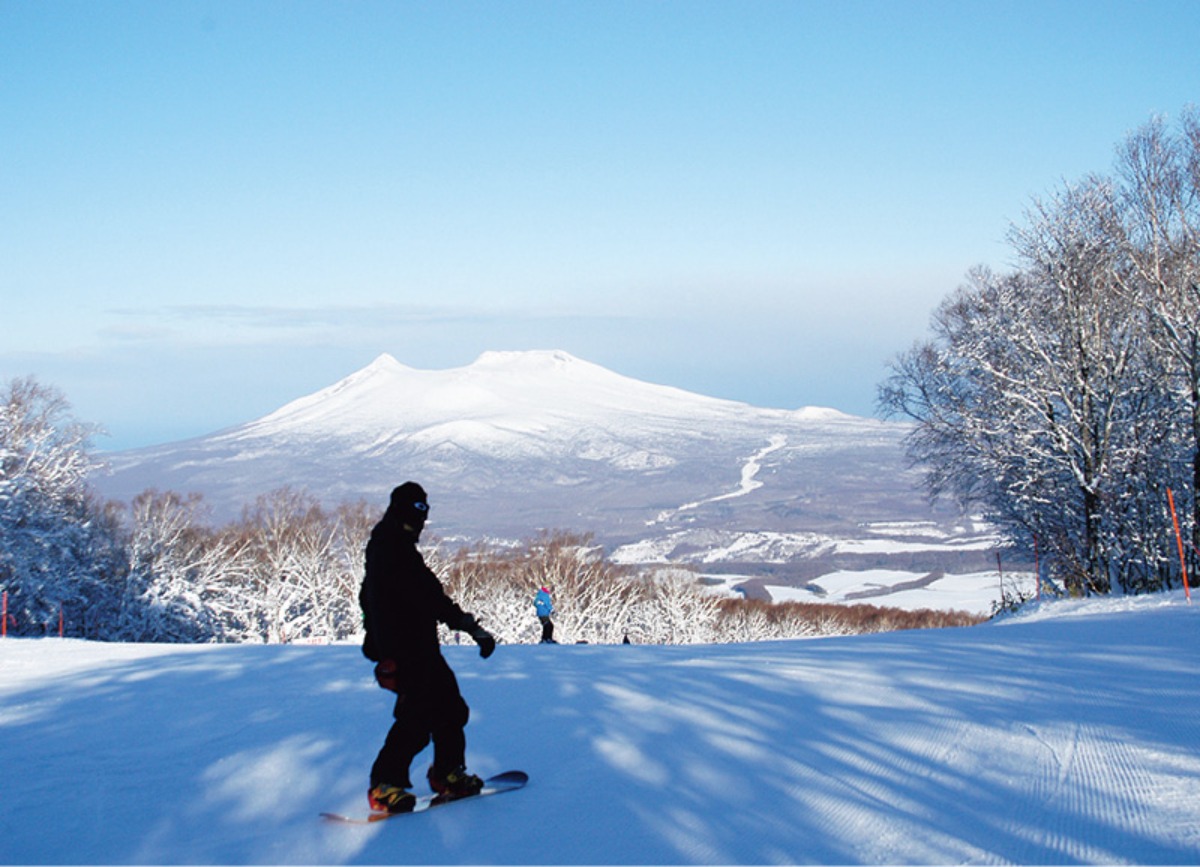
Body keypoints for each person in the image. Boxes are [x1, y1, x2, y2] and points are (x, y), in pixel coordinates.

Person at [358, 481, 497, 814]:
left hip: (422, 647)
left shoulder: (401, 545)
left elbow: (429, 596)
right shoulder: (388, 547)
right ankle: (384, 785)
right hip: (404, 650)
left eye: (423, 512)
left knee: (451, 708)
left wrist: (469, 626)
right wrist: (386, 654)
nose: (421, 520)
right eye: (417, 511)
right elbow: (376, 602)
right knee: (417, 717)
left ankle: (447, 773)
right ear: (401, 510)